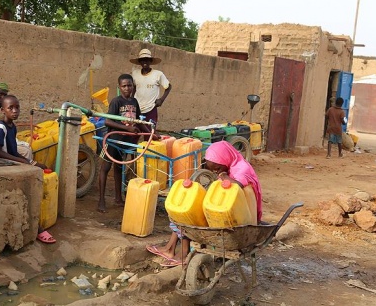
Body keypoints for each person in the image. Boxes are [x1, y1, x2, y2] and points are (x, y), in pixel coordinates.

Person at [147, 141, 262, 267]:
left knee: (189, 219)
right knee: (183, 210)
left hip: (240, 217)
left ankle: (183, 253)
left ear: (226, 158)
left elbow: (239, 185)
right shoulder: (227, 167)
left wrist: (223, 175)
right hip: (228, 210)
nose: (216, 172)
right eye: (214, 170)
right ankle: (170, 248)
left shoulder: (241, 169)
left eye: (217, 168)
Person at [0, 95, 55, 244]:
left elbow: (14, 151)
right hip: (2, 164)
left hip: (11, 161)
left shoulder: (13, 127)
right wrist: (24, 162)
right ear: (2, 110)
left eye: (17, 107)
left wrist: (31, 162)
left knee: (39, 170)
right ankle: (37, 227)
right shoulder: (0, 127)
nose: (14, 111)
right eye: (10, 108)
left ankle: (36, 222)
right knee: (28, 186)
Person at [98, 74, 156, 213]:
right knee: (105, 168)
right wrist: (127, 128)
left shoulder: (134, 102)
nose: (127, 88)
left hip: (126, 141)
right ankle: (101, 200)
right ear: (119, 87)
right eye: (124, 86)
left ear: (133, 86)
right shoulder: (116, 101)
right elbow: (108, 121)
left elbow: (138, 121)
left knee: (119, 167)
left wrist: (151, 134)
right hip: (112, 139)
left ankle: (118, 199)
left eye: (129, 85)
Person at [129, 48, 172, 127]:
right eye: (142, 60)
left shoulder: (158, 74)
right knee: (134, 132)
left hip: (151, 108)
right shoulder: (135, 74)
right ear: (139, 62)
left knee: (149, 132)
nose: (145, 62)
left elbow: (168, 87)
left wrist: (161, 100)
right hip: (137, 108)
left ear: (150, 61)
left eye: (147, 59)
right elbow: (135, 87)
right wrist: (131, 100)